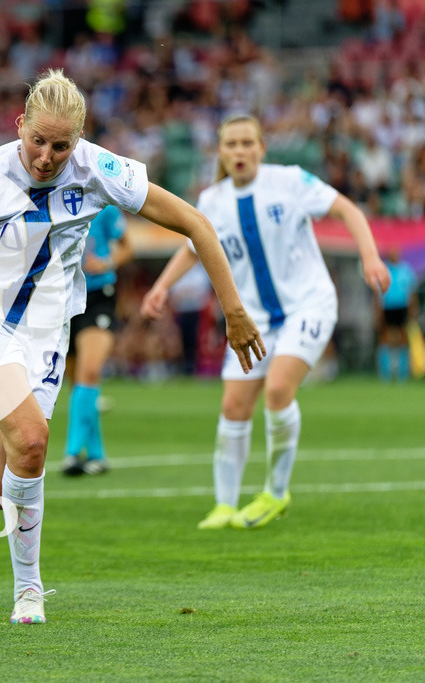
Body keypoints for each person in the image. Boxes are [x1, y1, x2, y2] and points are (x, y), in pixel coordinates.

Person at [0, 69, 264, 625]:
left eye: (61, 145)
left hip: (45, 332)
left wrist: (233, 310)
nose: (46, 156)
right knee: (34, 441)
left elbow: (196, 224)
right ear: (19, 124)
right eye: (37, 140)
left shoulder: (98, 170)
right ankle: (29, 591)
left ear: (79, 140)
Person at [140, 113, 391, 531]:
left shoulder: (290, 181)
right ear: (220, 152)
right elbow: (191, 248)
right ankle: (224, 505)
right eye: (231, 145)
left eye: (247, 144)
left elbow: (347, 209)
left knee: (277, 389)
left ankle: (276, 493)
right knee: (233, 406)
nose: (239, 152)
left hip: (308, 305)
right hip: (254, 320)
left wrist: (369, 255)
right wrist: (161, 286)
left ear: (262, 148)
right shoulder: (212, 200)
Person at [61, 204, 132, 476]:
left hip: (98, 295)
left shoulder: (105, 207)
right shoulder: (55, 201)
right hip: (63, 298)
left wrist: (106, 262)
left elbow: (127, 246)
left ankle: (71, 452)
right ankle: (97, 456)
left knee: (89, 372)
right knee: (77, 382)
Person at [376, 247, 418, 382]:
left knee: (402, 338)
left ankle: (402, 374)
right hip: (387, 307)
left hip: (402, 307)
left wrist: (413, 311)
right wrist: (377, 311)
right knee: (386, 338)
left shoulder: (406, 270)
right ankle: (386, 374)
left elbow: (411, 292)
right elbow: (377, 293)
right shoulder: (383, 269)